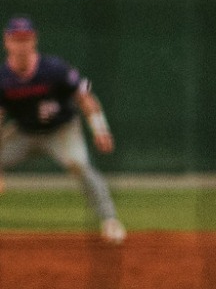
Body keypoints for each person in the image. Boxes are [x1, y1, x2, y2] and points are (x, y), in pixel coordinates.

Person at [0, 16, 124, 243]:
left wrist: (100, 129)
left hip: (61, 131)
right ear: (6, 42)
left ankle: (110, 220)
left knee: (80, 165)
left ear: (34, 40)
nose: (21, 44)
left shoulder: (53, 69)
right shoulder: (3, 78)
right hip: (23, 133)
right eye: (16, 39)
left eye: (25, 39)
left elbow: (84, 97)